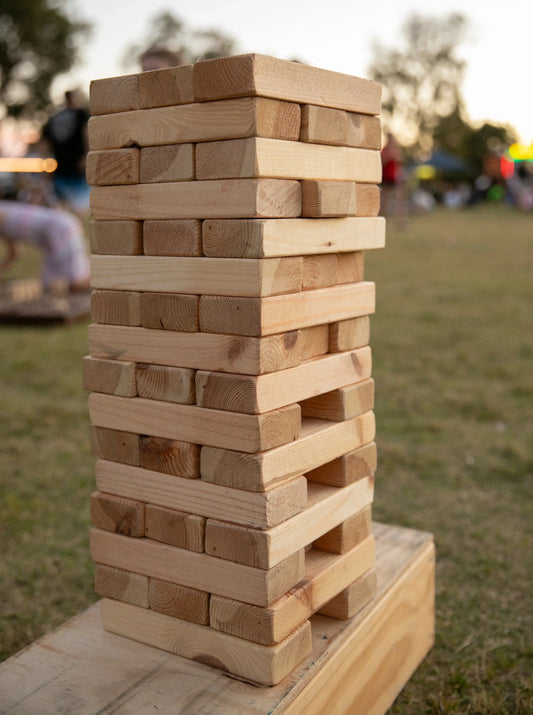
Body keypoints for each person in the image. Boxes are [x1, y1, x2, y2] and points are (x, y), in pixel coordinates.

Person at [0, 200, 90, 293]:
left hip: (61, 229)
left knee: (77, 283)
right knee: (49, 284)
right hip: (51, 238)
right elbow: (15, 253)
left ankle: (102, 291)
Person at [41, 90, 90, 217]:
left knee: (63, 204)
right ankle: (74, 233)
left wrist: (47, 165)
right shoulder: (80, 114)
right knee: (80, 206)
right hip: (78, 166)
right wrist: (87, 155)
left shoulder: (54, 117)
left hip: (60, 167)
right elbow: (86, 133)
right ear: (73, 98)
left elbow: (46, 144)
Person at [380, 132, 407, 228]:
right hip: (386, 178)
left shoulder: (396, 149)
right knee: (384, 200)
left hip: (395, 178)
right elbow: (382, 161)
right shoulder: (385, 149)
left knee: (399, 200)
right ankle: (383, 220)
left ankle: (400, 221)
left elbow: (400, 161)